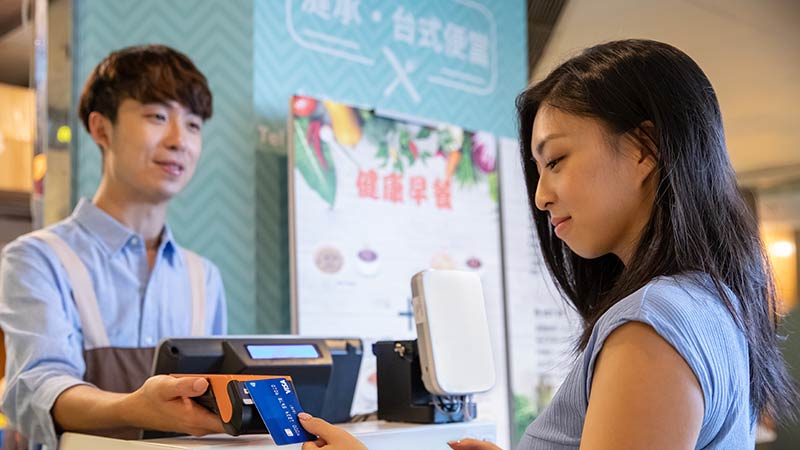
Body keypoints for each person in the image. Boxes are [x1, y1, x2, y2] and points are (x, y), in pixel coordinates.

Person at [295, 39, 797, 450]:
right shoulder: (711, 303)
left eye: (555, 161)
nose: (540, 195)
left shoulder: (654, 324)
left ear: (646, 148)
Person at [0, 44, 227, 449]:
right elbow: (37, 387)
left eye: (193, 124)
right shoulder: (37, 258)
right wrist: (135, 407)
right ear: (101, 129)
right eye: (157, 116)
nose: (180, 140)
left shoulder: (203, 276)